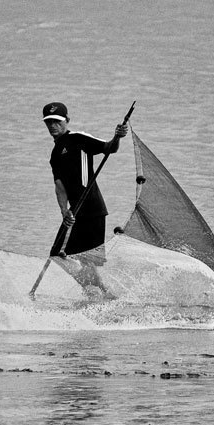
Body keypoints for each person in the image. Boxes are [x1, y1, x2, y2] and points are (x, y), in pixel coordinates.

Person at [42, 102, 128, 292]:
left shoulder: (78, 139)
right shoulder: (55, 154)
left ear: (67, 121)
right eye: (49, 122)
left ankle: (98, 293)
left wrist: (118, 136)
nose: (53, 126)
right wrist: (64, 211)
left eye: (57, 121)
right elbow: (59, 186)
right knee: (61, 255)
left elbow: (109, 148)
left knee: (82, 259)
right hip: (75, 213)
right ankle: (98, 293)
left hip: (93, 209)